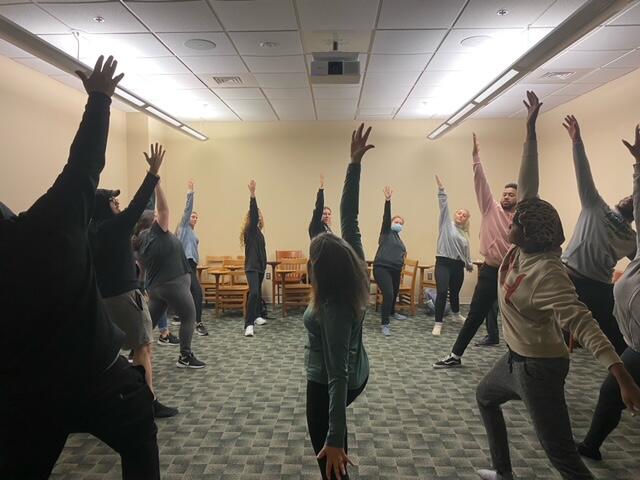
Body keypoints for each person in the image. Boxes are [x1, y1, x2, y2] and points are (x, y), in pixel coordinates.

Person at [0, 56, 161, 479]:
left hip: (30, 395)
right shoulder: (52, 225)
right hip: (100, 377)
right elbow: (84, 164)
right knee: (140, 432)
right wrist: (100, 99)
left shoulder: (70, 228)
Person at [475, 91, 640, 480]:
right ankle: (503, 473)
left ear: (527, 231)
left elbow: (584, 324)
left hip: (540, 368)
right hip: (514, 358)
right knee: (485, 397)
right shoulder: (527, 241)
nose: (509, 221)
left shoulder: (548, 272)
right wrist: (530, 129)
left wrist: (622, 376)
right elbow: (529, 180)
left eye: (514, 220)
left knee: (562, 456)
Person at [305, 123, 372, 480]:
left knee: (329, 461)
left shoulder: (333, 308)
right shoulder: (354, 267)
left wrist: (333, 438)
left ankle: (336, 448)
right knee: (336, 448)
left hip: (327, 380)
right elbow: (350, 217)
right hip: (360, 370)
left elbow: (336, 375)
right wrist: (354, 165)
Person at [90, 144, 178, 418]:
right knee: (143, 347)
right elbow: (138, 204)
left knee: (113, 352)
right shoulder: (114, 228)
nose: (118, 204)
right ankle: (146, 403)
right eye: (113, 201)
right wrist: (153, 174)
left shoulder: (91, 230)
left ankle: (117, 398)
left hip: (102, 299)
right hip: (125, 297)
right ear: (106, 208)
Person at [579, 124, 640, 461]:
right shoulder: (634, 242)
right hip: (634, 343)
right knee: (612, 386)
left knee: (612, 383)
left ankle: (591, 446)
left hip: (631, 337)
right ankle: (591, 446)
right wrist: (638, 167)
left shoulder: (630, 240)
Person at [434, 134, 517, 367]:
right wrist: (475, 157)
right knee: (475, 316)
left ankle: (518, 360)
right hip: (491, 272)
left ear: (519, 198)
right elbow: (482, 182)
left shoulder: (523, 217)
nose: (507, 197)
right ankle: (455, 355)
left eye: (512, 194)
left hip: (512, 274)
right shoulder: (491, 208)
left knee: (515, 318)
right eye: (505, 193)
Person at [561, 115, 636, 355]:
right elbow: (583, 173)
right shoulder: (595, 205)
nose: (630, 198)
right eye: (629, 195)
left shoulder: (632, 239)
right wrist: (577, 142)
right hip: (568, 277)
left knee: (614, 336)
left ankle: (629, 371)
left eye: (634, 200)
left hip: (598, 287)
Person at [138, 169, 206, 369]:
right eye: (155, 217)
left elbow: (142, 267)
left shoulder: (140, 239)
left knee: (148, 322)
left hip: (156, 288)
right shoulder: (156, 233)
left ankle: (136, 353)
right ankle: (185, 356)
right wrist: (157, 184)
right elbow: (164, 210)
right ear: (153, 222)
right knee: (189, 316)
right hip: (173, 284)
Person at [432, 174, 473, 336]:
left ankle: (456, 315)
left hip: (458, 266)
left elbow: (465, 252)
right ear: (454, 215)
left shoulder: (465, 234)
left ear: (466, 220)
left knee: (455, 293)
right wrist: (442, 190)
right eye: (459, 213)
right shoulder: (446, 225)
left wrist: (468, 264)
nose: (460, 216)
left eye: (464, 215)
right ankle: (438, 323)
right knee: (442, 292)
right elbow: (444, 206)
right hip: (443, 263)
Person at [372, 186, 407, 336]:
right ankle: (385, 323)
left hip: (395, 269)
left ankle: (392, 312)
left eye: (401, 223)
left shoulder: (399, 239)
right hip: (382, 268)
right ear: (392, 223)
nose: (398, 224)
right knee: (389, 294)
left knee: (395, 292)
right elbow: (386, 218)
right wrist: (388, 201)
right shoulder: (386, 232)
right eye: (396, 221)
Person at [176, 180, 208, 337]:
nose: (194, 218)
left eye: (196, 217)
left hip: (192, 265)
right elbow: (187, 210)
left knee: (187, 293)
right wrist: (190, 192)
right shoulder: (183, 228)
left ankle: (182, 317)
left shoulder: (193, 233)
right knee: (197, 292)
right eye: (192, 216)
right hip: (185, 264)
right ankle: (198, 323)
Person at [241, 180, 267, 337]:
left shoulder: (259, 232)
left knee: (257, 293)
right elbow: (253, 210)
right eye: (256, 214)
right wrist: (252, 194)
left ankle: (257, 316)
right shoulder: (249, 231)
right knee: (255, 293)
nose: (258, 216)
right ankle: (248, 325)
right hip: (251, 267)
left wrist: (264, 265)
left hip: (260, 267)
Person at [309, 174, 333, 239]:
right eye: (324, 214)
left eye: (329, 214)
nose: (327, 216)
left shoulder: (328, 229)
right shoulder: (316, 225)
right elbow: (319, 209)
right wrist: (321, 190)